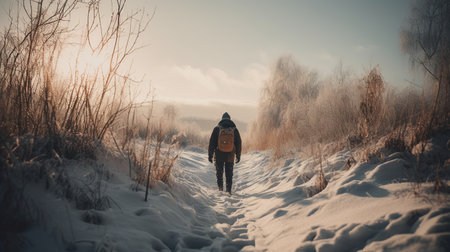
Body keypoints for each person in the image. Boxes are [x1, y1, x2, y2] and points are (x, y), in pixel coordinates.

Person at [208, 112, 242, 194]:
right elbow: (238, 143)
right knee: (229, 174)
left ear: (222, 119)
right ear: (230, 119)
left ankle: (220, 190)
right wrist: (238, 155)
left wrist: (210, 155)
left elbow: (212, 143)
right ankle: (228, 191)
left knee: (219, 173)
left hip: (219, 155)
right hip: (230, 155)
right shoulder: (234, 130)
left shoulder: (217, 129)